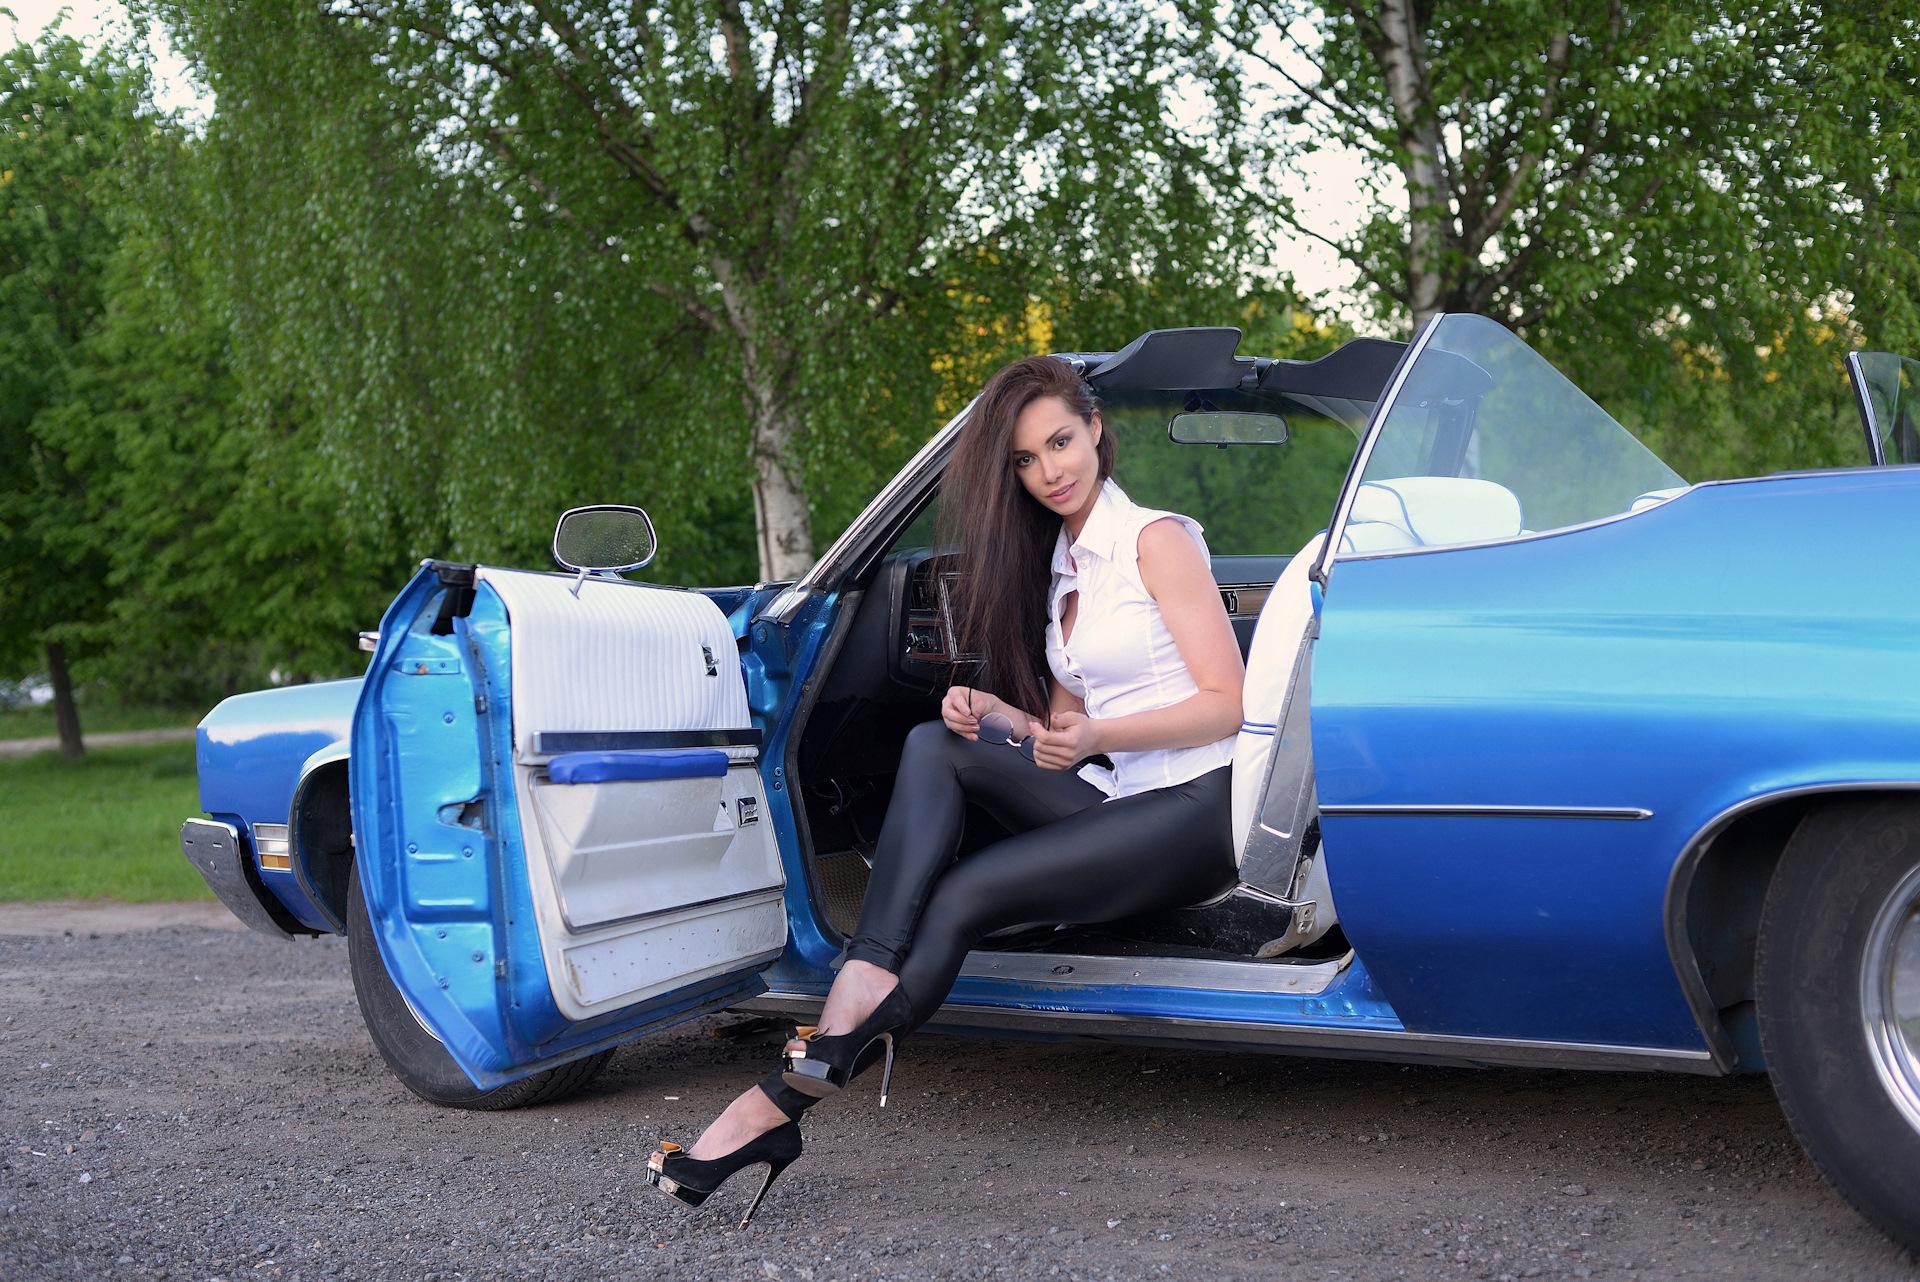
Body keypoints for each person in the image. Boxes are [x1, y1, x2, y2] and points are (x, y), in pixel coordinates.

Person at [644, 354, 1245, 1227]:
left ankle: (776, 1104)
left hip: (1197, 806)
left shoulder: (1157, 541)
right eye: (1027, 460)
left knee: (963, 893)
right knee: (937, 739)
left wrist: (1097, 737)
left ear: (1095, 430)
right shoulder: (1066, 569)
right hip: (1121, 797)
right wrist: (1002, 715)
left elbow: (1227, 703)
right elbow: (1065, 734)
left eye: (1062, 442)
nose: (1051, 471)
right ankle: (858, 990)